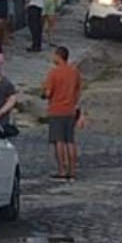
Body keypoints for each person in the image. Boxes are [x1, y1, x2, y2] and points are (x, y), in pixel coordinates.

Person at [43, 46, 82, 181]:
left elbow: (48, 93)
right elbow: (78, 89)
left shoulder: (53, 73)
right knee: (70, 141)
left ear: (58, 56)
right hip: (70, 110)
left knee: (59, 141)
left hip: (56, 110)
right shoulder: (74, 72)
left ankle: (61, 169)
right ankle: (72, 170)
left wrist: (43, 95)